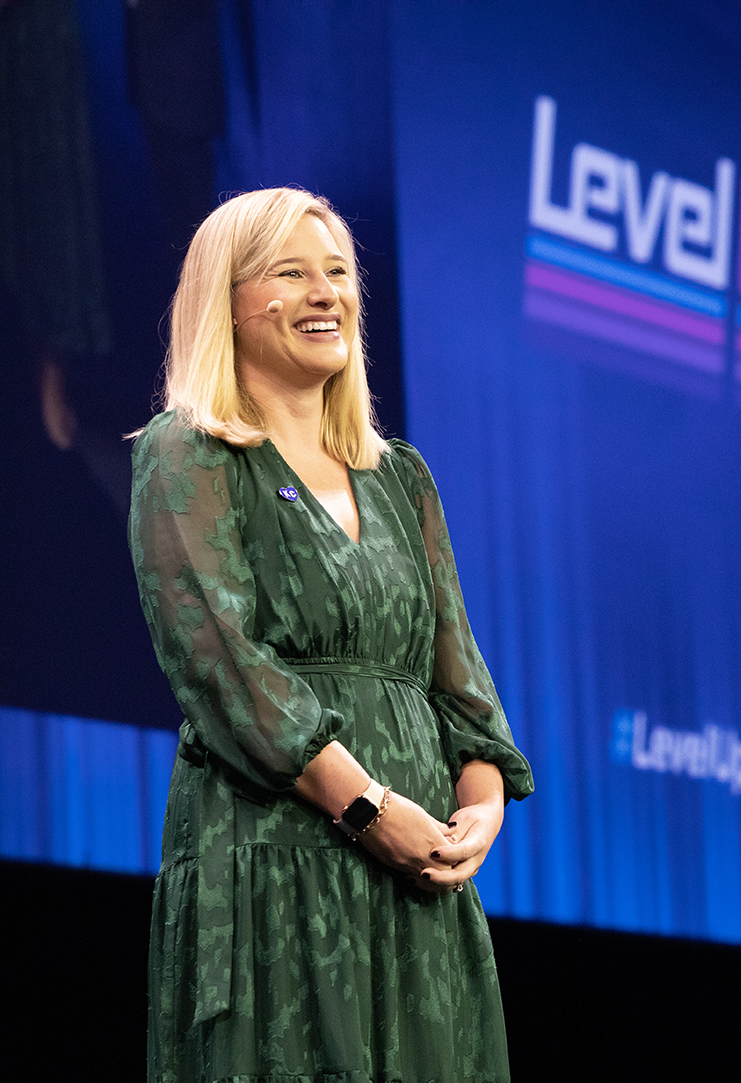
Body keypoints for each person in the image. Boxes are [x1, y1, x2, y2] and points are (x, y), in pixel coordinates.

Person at [129, 188, 534, 1082]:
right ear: (224, 303)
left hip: (418, 883)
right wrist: (367, 809)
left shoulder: (405, 480)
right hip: (277, 872)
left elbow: (462, 687)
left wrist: (476, 815)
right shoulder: (187, 454)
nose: (327, 293)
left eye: (339, 273)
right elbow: (225, 667)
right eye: (292, 274)